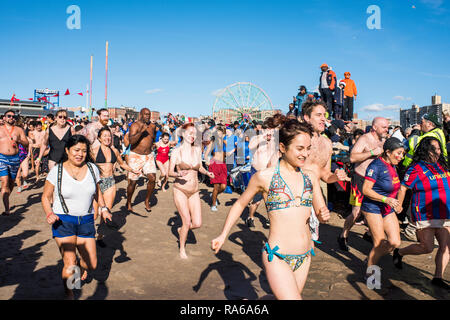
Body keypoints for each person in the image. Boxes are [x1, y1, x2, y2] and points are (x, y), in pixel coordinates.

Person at [212, 119, 330, 300]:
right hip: (278, 256)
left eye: (308, 148)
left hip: (305, 256)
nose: (305, 154)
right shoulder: (264, 177)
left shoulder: (310, 177)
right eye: (300, 148)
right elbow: (240, 204)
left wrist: (323, 215)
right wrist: (223, 235)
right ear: (283, 147)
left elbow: (321, 214)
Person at [41, 135, 112, 299]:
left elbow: (97, 192)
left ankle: (82, 268)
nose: (80, 154)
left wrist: (103, 208)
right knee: (70, 262)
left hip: (86, 221)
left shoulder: (93, 169)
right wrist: (49, 213)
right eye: (76, 150)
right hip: (63, 221)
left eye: (84, 151)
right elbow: (45, 197)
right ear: (67, 150)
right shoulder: (56, 171)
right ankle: (70, 293)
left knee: (91, 264)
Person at [394, 137, 450, 290]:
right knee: (427, 247)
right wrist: (398, 205)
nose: (438, 152)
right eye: (434, 149)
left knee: (446, 247)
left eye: (439, 149)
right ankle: (399, 252)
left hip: (445, 212)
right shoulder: (416, 168)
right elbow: (403, 188)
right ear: (426, 150)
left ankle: (438, 277)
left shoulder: (442, 165)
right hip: (425, 213)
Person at [338, 117, 389, 250]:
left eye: (387, 127)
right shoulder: (365, 139)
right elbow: (353, 157)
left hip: (375, 181)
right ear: (374, 127)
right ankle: (343, 235)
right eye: (384, 127)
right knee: (357, 212)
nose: (386, 129)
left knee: (376, 210)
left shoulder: (383, 141)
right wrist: (372, 152)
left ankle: (369, 233)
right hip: (360, 178)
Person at [301, 101, 350, 241]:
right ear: (307, 117)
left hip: (314, 196)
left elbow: (325, 174)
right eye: (318, 115)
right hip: (295, 195)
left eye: (324, 115)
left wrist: (336, 176)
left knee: (310, 240)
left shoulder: (327, 143)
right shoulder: (298, 139)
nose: (324, 119)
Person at [169, 123, 214, 259]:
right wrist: (178, 175)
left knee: (197, 223)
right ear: (183, 134)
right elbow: (169, 173)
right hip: (180, 189)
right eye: (190, 133)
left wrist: (207, 173)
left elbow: (198, 167)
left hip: (194, 191)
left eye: (194, 133)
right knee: (187, 222)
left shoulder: (197, 150)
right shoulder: (177, 151)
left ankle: (181, 230)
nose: (193, 136)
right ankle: (182, 248)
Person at [361, 137, 405, 278]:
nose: (401, 157)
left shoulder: (392, 165)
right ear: (387, 152)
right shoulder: (375, 166)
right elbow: (366, 190)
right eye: (398, 153)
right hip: (372, 207)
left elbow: (396, 187)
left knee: (395, 242)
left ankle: (372, 258)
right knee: (379, 243)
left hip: (387, 207)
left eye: (403, 153)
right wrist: (386, 199)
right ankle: (372, 276)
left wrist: (398, 203)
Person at [92, 128, 140, 247]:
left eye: (109, 136)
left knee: (106, 211)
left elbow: (122, 164)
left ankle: (100, 237)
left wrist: (133, 169)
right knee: (94, 215)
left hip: (110, 182)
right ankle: (89, 236)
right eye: (104, 136)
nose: (107, 138)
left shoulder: (114, 151)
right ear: (99, 138)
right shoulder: (93, 151)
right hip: (96, 183)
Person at [246, 116, 281, 228]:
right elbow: (251, 146)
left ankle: (270, 219)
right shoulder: (257, 138)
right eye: (268, 129)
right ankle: (250, 217)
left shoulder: (275, 141)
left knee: (270, 198)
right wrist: (263, 137)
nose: (270, 132)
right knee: (256, 200)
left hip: (270, 173)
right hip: (257, 172)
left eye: (272, 129)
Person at [126, 108, 157, 213]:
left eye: (149, 114)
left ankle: (147, 200)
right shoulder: (135, 125)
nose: (147, 116)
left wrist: (152, 145)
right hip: (136, 156)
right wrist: (142, 132)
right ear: (140, 114)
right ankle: (129, 201)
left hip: (148, 156)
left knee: (152, 178)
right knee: (133, 182)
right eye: (145, 114)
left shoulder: (152, 126)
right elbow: (131, 141)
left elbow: (153, 138)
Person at [0, 110, 29, 216]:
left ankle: (6, 196)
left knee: (11, 183)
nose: (11, 118)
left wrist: (20, 140)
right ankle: (7, 209)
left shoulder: (19, 130)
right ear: (4, 117)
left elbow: (26, 143)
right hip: (1, 158)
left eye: (13, 116)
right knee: (5, 181)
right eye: (9, 116)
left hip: (15, 159)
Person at [205, 126, 227, 212]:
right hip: (214, 165)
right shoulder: (212, 143)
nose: (219, 136)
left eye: (221, 134)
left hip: (222, 165)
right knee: (216, 186)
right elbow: (206, 154)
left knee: (223, 186)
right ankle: (213, 204)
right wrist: (207, 162)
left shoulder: (224, 142)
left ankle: (213, 194)